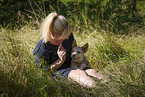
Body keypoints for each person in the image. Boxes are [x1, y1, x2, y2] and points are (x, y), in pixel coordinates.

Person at [33, 12, 107, 87]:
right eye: (64, 36)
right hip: (59, 73)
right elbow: (42, 73)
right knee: (80, 75)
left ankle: (112, 88)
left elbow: (75, 52)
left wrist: (84, 61)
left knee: (92, 72)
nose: (67, 38)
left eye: (68, 35)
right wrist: (60, 61)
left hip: (75, 67)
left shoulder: (68, 35)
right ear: (52, 34)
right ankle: (100, 91)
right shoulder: (42, 48)